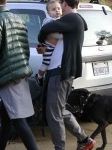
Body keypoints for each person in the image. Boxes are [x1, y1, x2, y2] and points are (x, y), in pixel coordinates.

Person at [37, 0, 96, 150]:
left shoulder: (71, 18)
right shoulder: (72, 21)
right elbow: (49, 36)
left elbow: (45, 28)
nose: (58, 10)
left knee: (54, 113)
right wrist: (45, 43)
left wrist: (44, 36)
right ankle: (84, 140)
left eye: (59, 5)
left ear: (64, 3)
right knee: (59, 110)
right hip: (58, 70)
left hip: (60, 71)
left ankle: (60, 147)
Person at [0, 0, 38, 150]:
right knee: (6, 114)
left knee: (19, 120)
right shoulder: (18, 19)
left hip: (7, 76)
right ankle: (0, 146)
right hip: (19, 73)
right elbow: (25, 49)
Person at [35, 0, 63, 86]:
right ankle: (39, 76)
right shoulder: (49, 21)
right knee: (46, 62)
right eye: (54, 9)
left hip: (53, 48)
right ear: (48, 13)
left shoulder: (60, 20)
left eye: (59, 8)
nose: (57, 10)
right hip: (47, 47)